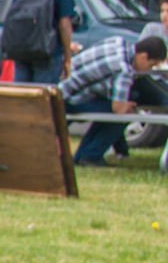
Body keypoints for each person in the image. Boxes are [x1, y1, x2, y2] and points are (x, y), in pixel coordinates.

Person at [58, 33, 164, 165]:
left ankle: (84, 156)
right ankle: (91, 156)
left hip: (61, 90)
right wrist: (129, 107)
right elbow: (118, 108)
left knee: (113, 106)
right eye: (151, 65)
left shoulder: (117, 42)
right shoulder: (124, 69)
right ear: (143, 56)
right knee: (124, 114)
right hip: (70, 100)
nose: (149, 69)